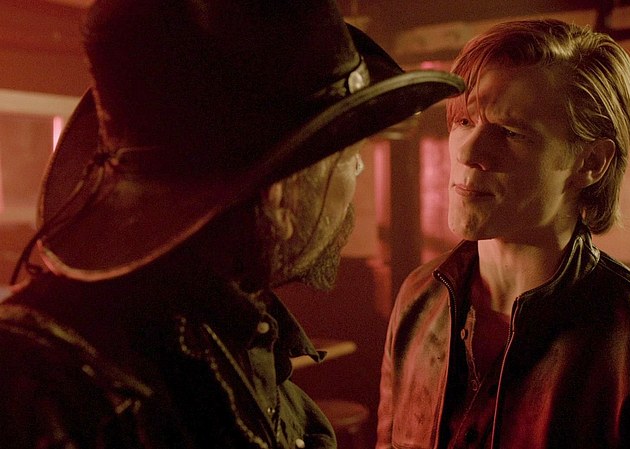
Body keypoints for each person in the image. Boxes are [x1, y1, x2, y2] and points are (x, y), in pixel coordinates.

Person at [0, 0, 463, 448]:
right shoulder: (43, 387)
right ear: (281, 189)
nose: (358, 172)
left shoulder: (233, 340)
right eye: (348, 155)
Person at [376, 19, 630, 449]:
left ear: (591, 162)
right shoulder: (419, 299)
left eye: (511, 132)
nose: (468, 151)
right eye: (463, 121)